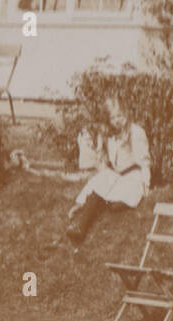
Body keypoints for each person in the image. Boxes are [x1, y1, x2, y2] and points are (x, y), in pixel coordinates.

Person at [64, 95, 150, 246]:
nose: (117, 120)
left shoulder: (135, 132)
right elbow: (106, 160)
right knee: (99, 185)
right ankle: (80, 226)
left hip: (132, 176)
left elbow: (144, 161)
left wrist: (146, 184)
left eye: (120, 116)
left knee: (116, 205)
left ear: (126, 114)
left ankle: (93, 207)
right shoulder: (110, 134)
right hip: (116, 175)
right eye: (113, 118)